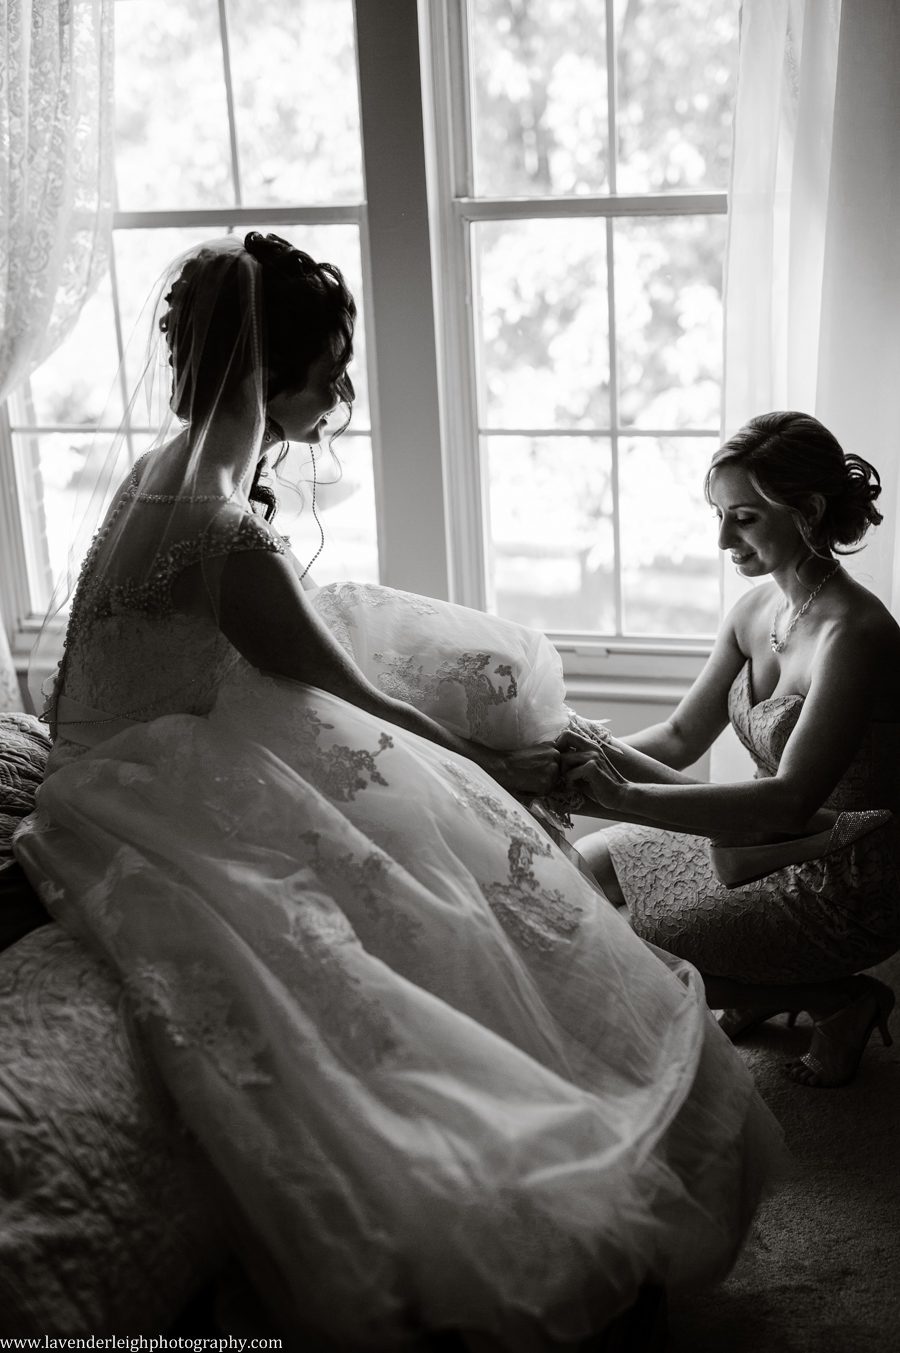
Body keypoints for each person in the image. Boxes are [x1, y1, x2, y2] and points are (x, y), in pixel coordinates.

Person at [14, 234, 782, 1349]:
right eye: (329, 374)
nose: (342, 398)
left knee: (419, 789)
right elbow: (356, 694)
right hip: (155, 779)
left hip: (106, 761)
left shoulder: (159, 472)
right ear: (262, 372)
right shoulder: (221, 525)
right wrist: (486, 770)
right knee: (431, 860)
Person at [567, 412, 900, 1091]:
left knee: (621, 937)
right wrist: (571, 746)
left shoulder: (856, 634)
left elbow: (790, 800)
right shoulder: (755, 611)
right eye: (720, 515)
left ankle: (836, 997)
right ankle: (758, 981)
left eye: (743, 518)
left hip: (844, 874)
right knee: (574, 876)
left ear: (809, 512)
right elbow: (680, 738)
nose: (722, 538)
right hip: (754, 842)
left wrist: (621, 796)